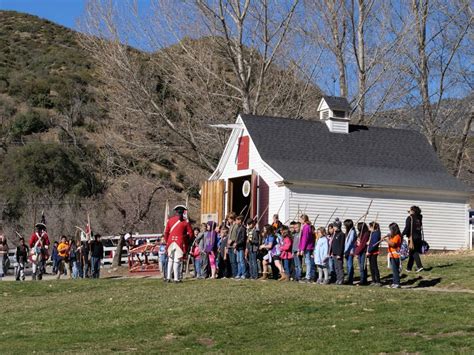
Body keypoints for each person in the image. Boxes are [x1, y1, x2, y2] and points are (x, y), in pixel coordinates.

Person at [163, 205, 193, 283]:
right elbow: (191, 234)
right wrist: (186, 240)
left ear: (176, 212)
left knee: (170, 260)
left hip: (170, 242)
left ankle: (168, 277)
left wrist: (167, 242)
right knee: (176, 260)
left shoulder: (170, 220)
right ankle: (176, 278)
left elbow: (166, 233)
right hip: (180, 242)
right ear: (183, 212)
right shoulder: (185, 222)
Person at [402, 206, 424, 272]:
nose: (409, 211)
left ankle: (419, 266)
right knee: (412, 252)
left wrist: (401, 235)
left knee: (413, 252)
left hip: (412, 238)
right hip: (418, 237)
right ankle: (409, 268)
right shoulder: (419, 218)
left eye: (410, 210)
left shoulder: (410, 218)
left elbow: (407, 228)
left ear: (413, 211)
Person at [385, 223, 402, 289]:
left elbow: (393, 244)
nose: (390, 231)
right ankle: (394, 282)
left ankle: (397, 283)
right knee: (393, 270)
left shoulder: (397, 236)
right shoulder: (393, 236)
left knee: (395, 270)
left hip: (395, 255)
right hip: (391, 255)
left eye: (390, 229)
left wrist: (387, 240)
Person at [298, 214, 314, 283]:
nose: (299, 220)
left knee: (308, 262)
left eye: (301, 219)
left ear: (304, 220)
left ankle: (308, 277)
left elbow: (305, 239)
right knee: (307, 261)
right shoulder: (304, 227)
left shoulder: (306, 227)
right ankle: (308, 276)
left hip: (307, 247)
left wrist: (302, 249)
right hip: (305, 246)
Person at [330, 219, 345, 285]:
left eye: (334, 226)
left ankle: (341, 279)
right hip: (334, 253)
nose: (333, 228)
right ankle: (338, 278)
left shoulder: (341, 234)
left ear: (338, 226)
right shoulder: (335, 234)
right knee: (335, 267)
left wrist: (339, 254)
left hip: (338, 254)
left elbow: (341, 245)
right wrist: (331, 252)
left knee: (339, 267)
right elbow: (332, 244)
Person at [367, 222, 381, 286]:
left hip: (373, 252)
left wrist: (369, 251)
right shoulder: (372, 233)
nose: (368, 228)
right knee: (371, 267)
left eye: (369, 227)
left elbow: (374, 244)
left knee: (374, 266)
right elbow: (371, 242)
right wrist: (368, 243)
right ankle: (373, 280)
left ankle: (377, 281)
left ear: (373, 227)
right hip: (370, 252)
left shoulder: (376, 234)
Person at [343, 219, 356, 285]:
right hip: (346, 250)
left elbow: (350, 242)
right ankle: (349, 278)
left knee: (350, 265)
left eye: (345, 225)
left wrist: (346, 250)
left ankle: (350, 279)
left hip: (350, 251)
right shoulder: (348, 231)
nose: (344, 226)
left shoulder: (352, 231)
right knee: (347, 265)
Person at [226, 213, 238, 277]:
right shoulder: (230, 226)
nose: (228, 220)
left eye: (228, 218)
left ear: (232, 218)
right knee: (231, 261)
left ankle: (235, 274)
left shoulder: (236, 226)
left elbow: (236, 235)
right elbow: (229, 235)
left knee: (234, 261)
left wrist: (232, 240)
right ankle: (233, 274)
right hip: (229, 246)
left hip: (233, 245)